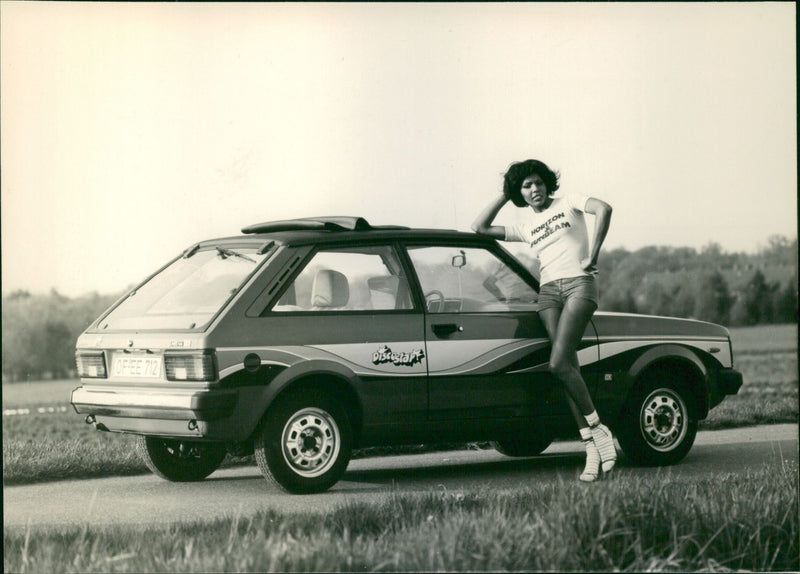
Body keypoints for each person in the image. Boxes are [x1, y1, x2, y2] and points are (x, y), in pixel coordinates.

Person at [472, 159, 615, 482]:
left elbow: (604, 209)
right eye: (526, 186)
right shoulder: (525, 226)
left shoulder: (569, 202)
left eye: (537, 182)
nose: (534, 189)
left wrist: (594, 255)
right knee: (568, 370)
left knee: (557, 363)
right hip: (548, 293)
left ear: (548, 183)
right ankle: (591, 448)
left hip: (580, 284)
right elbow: (479, 227)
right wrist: (506, 193)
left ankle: (598, 429)